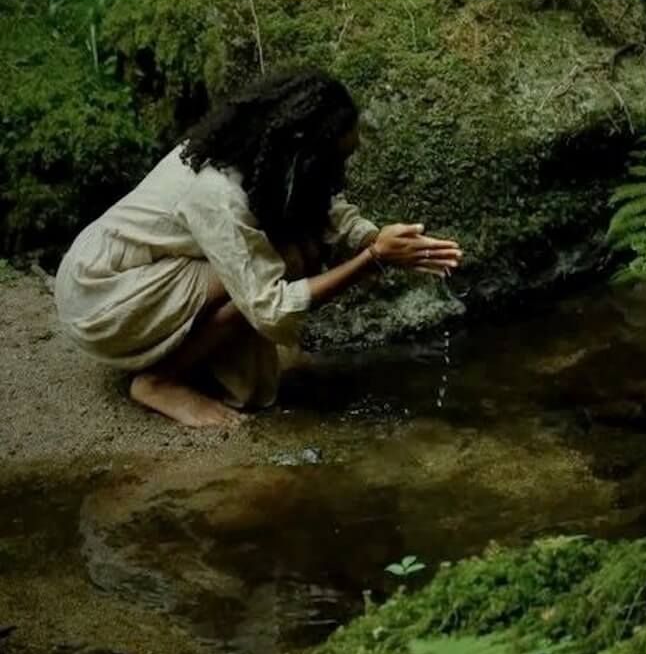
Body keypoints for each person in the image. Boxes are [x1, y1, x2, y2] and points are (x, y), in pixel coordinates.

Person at [54, 68, 462, 428]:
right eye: (337, 158)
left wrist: (372, 237)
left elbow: (321, 201)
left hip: (142, 273)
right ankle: (159, 381)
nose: (341, 173)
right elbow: (270, 308)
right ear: (304, 150)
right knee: (286, 261)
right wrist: (371, 260)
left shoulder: (262, 156)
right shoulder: (218, 193)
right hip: (102, 298)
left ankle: (205, 362)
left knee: (289, 247)